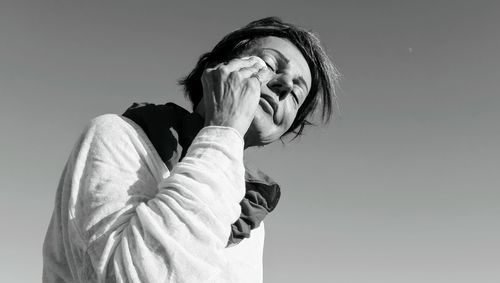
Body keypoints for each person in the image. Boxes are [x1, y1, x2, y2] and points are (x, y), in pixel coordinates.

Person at [42, 17, 340, 283]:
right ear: (218, 68)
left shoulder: (250, 216)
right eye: (271, 64)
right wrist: (224, 129)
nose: (285, 84)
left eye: (297, 94)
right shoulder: (119, 136)